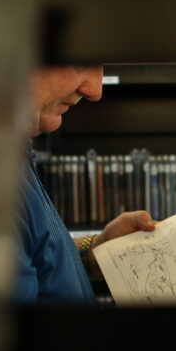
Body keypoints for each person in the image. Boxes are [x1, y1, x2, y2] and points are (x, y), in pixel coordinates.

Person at [13, 66, 156, 302]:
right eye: (80, 64)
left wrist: (97, 251)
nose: (95, 91)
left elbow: (38, 261)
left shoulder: (9, 152)